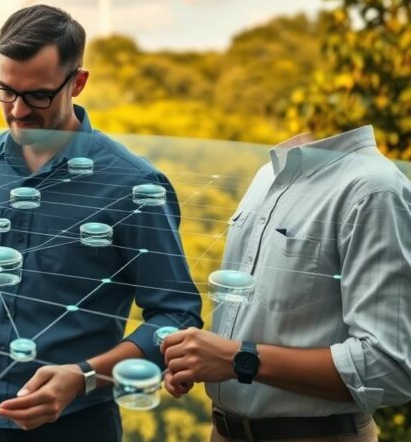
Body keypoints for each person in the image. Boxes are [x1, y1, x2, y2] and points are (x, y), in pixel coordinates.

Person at [0, 4, 203, 442]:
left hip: (79, 426)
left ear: (77, 83)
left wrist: (83, 377)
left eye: (38, 96)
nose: (18, 111)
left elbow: (176, 314)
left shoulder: (132, 184)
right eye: (5, 91)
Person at [161, 127, 411, 441]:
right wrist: (199, 359)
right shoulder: (267, 175)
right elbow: (262, 321)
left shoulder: (375, 190)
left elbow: (388, 368)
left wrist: (236, 359)